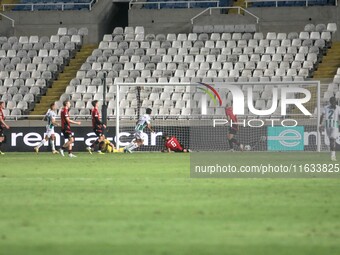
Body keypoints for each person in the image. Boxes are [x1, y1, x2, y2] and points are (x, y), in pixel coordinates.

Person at [320, 97, 340, 161]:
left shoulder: (326, 107)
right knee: (332, 140)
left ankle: (332, 154)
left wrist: (320, 124)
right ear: (335, 101)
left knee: (331, 140)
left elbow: (322, 115)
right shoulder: (338, 107)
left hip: (327, 125)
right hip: (334, 125)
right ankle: (333, 156)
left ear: (330, 101)